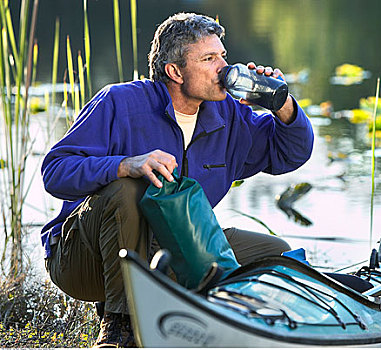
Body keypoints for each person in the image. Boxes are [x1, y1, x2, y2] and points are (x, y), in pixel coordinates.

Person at [40, 12, 313, 348]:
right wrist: (125, 165)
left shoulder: (230, 116)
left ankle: (230, 327)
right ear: (174, 71)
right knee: (128, 190)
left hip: (168, 251)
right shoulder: (120, 102)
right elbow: (55, 171)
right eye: (209, 59)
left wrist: (281, 103)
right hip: (84, 260)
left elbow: (290, 154)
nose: (224, 68)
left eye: (223, 56)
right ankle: (120, 327)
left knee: (275, 255)